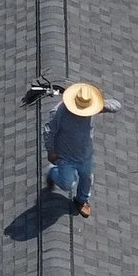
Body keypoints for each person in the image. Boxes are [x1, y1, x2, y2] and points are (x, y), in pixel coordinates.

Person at [45, 82, 101, 217]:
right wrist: (51, 150)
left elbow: (117, 105)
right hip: (66, 157)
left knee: (87, 178)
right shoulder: (59, 112)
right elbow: (49, 131)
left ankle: (82, 200)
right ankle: (52, 173)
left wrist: (105, 105)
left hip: (85, 154)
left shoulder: (92, 108)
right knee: (67, 184)